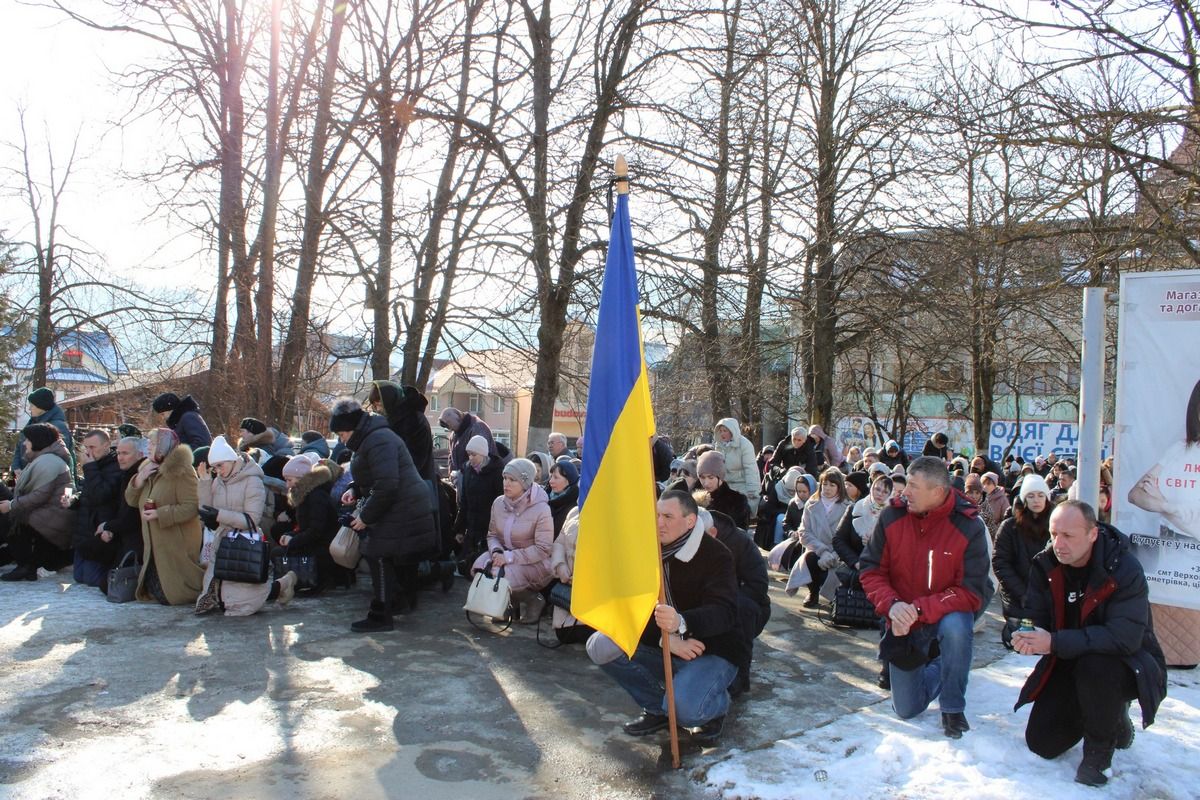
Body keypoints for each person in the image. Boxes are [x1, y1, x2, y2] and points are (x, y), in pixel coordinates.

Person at [1014, 501, 1168, 787]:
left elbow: (1125, 638)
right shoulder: (1045, 563)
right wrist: (1023, 634)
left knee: (1095, 666)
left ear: (1093, 534)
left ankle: (1099, 754)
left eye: (1068, 536)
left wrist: (1054, 642)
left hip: (1125, 664)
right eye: (1053, 534)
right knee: (1042, 743)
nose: (1058, 544)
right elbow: (1033, 615)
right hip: (1067, 658)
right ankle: (1108, 716)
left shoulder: (1123, 568)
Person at [586, 491, 743, 744]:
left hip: (712, 649)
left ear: (690, 521)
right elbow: (631, 610)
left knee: (686, 712)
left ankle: (717, 705)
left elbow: (725, 612)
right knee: (600, 645)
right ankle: (657, 708)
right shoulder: (646, 550)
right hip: (666, 643)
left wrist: (682, 623)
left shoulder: (717, 555)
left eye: (668, 516)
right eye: (657, 515)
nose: (659, 522)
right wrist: (667, 639)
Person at [859, 456, 994, 739]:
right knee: (907, 708)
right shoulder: (892, 516)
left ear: (937, 491)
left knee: (957, 626)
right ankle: (945, 664)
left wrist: (918, 609)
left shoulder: (969, 526)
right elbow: (871, 570)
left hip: (941, 613)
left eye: (913, 486)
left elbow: (971, 592)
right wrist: (892, 606)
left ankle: (953, 708)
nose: (904, 492)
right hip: (903, 620)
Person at [332, 397, 437, 632]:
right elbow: (375, 476)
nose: (342, 439)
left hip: (403, 505)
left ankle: (381, 615)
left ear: (352, 427)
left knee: (376, 552)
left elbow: (387, 484)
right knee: (390, 556)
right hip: (400, 503)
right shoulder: (371, 438)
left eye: (342, 433)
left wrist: (365, 517)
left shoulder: (378, 439)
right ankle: (397, 602)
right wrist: (355, 489)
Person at [194, 435, 296, 616]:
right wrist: (204, 483)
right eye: (214, 467)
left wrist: (220, 515)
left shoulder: (252, 480)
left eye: (220, 465)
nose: (218, 471)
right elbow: (208, 511)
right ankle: (283, 585)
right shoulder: (218, 481)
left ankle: (285, 583)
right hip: (223, 541)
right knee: (222, 596)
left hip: (244, 541)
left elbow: (252, 519)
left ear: (232, 460)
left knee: (245, 598)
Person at [126, 429, 206, 605]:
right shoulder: (149, 469)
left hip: (176, 541)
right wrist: (139, 479)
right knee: (158, 591)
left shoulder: (182, 471)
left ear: (163, 446)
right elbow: (131, 500)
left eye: (153, 444)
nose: (148, 447)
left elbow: (192, 507)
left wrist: (159, 513)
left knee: (176, 592)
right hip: (155, 542)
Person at [471, 458, 554, 623]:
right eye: (505, 478)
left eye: (512, 480)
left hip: (534, 562)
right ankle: (509, 604)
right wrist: (496, 551)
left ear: (525, 483)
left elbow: (543, 549)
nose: (506, 484)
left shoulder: (541, 508)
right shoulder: (498, 503)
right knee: (479, 569)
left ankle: (533, 599)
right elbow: (492, 534)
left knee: (498, 574)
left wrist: (508, 557)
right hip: (504, 555)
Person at [704, 509, 770, 697]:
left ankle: (739, 677)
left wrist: (724, 602)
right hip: (706, 605)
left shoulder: (740, 542)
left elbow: (757, 585)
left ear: (711, 532)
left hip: (745, 605)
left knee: (741, 611)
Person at [0, 423, 75, 581]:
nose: (24, 443)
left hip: (50, 520)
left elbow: (40, 495)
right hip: (50, 516)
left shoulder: (49, 461)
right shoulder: (46, 459)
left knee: (11, 520)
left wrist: (11, 505)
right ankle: (27, 565)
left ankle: (25, 566)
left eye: (27, 439)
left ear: (37, 441)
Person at [992, 474, 1052, 648]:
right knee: (1021, 643)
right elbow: (1000, 563)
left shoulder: (1055, 525)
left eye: (1041, 495)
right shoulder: (1010, 527)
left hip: (1048, 595)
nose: (1036, 500)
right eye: (1031, 496)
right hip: (1018, 597)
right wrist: (1023, 593)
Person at [275, 453, 345, 592]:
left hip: (324, 546)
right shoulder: (307, 493)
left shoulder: (315, 496)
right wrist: (290, 536)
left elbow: (316, 531)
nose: (287, 484)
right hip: (318, 541)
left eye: (289, 480)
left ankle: (305, 581)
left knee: (278, 553)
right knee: (278, 549)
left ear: (301, 479)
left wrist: (293, 540)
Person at [787, 467, 852, 607]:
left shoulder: (848, 507)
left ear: (839, 487)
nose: (827, 488)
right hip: (816, 549)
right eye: (824, 484)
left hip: (838, 552)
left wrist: (834, 553)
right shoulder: (811, 504)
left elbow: (849, 537)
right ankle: (813, 592)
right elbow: (804, 532)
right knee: (809, 559)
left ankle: (836, 596)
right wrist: (822, 551)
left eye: (832, 485)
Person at [70, 430, 125, 588]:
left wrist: (90, 468)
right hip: (85, 531)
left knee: (92, 580)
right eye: (86, 447)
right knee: (79, 578)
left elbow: (101, 494)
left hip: (101, 531)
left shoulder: (115, 467)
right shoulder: (94, 465)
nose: (88, 452)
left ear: (106, 445)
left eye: (93, 447)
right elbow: (88, 494)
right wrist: (73, 501)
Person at [454, 435, 506, 568]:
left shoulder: (498, 472)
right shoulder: (468, 472)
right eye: (468, 454)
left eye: (474, 454)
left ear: (483, 454)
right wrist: (459, 529)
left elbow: (502, 504)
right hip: (472, 529)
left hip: (490, 530)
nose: (470, 458)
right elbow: (464, 503)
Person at [368, 381, 435, 481]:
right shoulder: (393, 420)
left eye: (379, 405)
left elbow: (414, 460)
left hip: (415, 484)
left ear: (389, 401)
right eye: (375, 406)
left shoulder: (415, 421)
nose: (377, 409)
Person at [12, 388, 74, 477]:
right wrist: (16, 466)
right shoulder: (33, 422)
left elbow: (59, 457)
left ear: (42, 407)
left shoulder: (58, 427)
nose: (29, 408)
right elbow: (20, 444)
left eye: (32, 405)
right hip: (26, 475)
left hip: (43, 479)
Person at [713, 417, 760, 514]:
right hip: (725, 485)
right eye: (720, 431)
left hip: (742, 485)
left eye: (725, 431)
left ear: (732, 431)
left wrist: (752, 490)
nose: (722, 434)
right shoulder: (718, 446)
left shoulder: (745, 445)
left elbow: (750, 468)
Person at [439, 407, 500, 481]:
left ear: (459, 418)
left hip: (481, 480)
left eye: (450, 425)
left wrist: (462, 475)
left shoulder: (478, 428)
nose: (450, 429)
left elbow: (481, 459)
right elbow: (452, 457)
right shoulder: (455, 434)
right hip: (464, 480)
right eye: (448, 427)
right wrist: (452, 474)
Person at [696, 451, 751, 529]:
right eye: (702, 477)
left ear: (720, 477)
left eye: (711, 477)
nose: (706, 483)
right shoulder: (695, 500)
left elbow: (740, 535)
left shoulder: (737, 501)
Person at [755, 465, 804, 549]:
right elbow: (769, 509)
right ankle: (777, 544)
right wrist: (784, 512)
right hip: (777, 520)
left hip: (796, 521)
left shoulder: (802, 491)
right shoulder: (777, 489)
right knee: (780, 518)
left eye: (794, 491)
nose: (792, 493)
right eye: (789, 490)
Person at [546, 460, 579, 537]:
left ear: (568, 481)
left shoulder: (575, 506)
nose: (551, 481)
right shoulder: (544, 497)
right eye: (551, 477)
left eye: (556, 477)